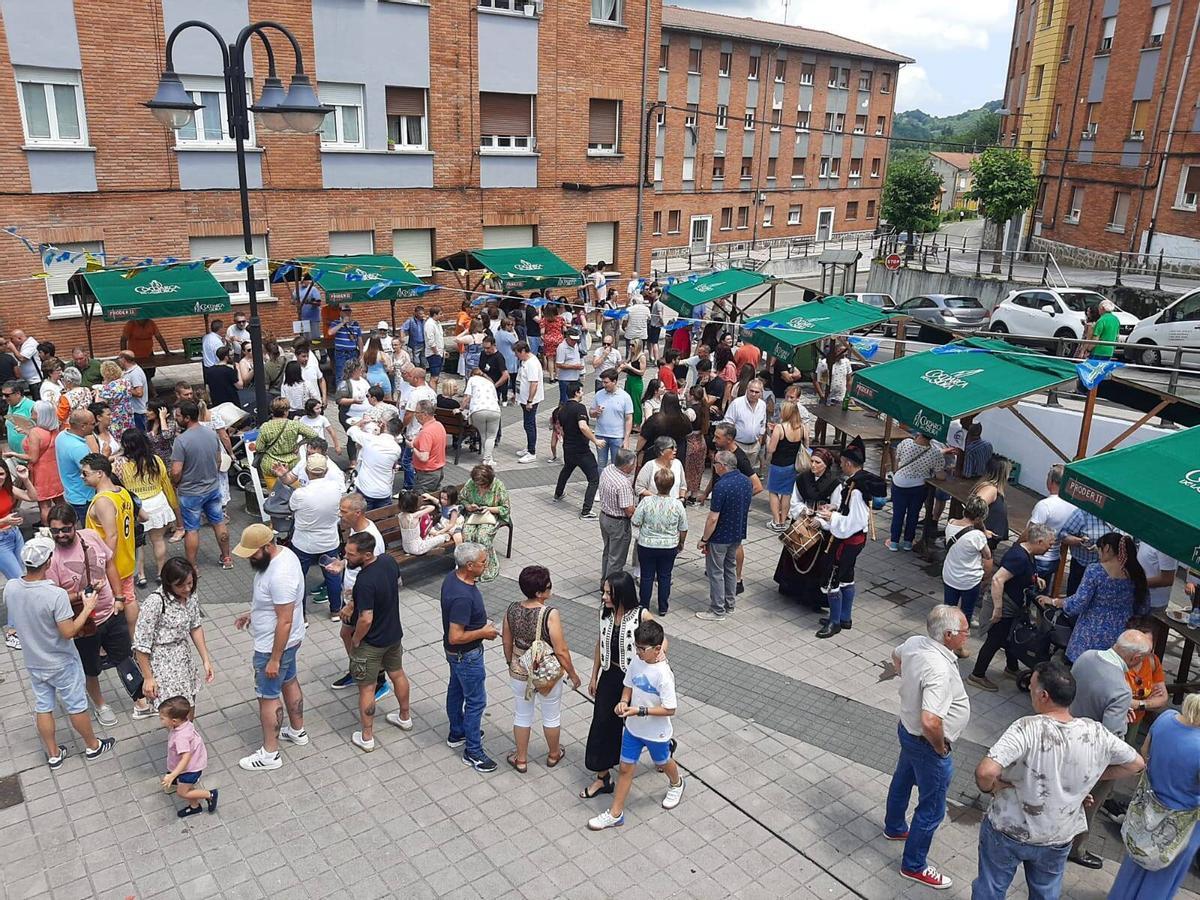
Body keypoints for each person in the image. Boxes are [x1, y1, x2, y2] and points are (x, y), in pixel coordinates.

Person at [971, 661, 1144, 900]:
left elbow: (985, 772)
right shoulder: (1096, 733)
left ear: (1043, 695)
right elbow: (1136, 764)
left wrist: (992, 787)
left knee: (990, 888)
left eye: (1031, 687)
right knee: (1046, 892)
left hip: (1008, 830)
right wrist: (1092, 774)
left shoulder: (1026, 728)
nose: (1030, 690)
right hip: (1059, 835)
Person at [4, 535, 116, 769]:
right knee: (76, 704)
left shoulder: (12, 587)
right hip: (61, 661)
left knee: (43, 705)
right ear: (47, 563)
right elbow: (69, 631)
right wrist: (87, 608)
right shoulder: (54, 595)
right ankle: (92, 745)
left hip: (34, 661)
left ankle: (54, 754)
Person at [884, 605, 971, 890]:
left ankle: (895, 827)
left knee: (903, 779)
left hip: (907, 730)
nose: (968, 634)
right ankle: (914, 865)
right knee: (932, 808)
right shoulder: (937, 669)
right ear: (948, 635)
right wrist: (941, 748)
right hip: (927, 744)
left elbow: (896, 657)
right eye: (964, 631)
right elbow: (931, 721)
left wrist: (907, 682)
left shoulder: (915, 643)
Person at [44, 504, 152, 724]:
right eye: (55, 531)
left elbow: (110, 565)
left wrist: (119, 598)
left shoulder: (91, 537)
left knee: (123, 657)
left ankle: (140, 700)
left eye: (65, 529)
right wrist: (81, 596)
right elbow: (53, 597)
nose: (61, 535)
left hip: (110, 612)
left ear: (75, 525)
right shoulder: (51, 558)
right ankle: (100, 705)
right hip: (83, 623)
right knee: (90, 668)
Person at [587, 618, 685, 830]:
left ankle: (677, 783)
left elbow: (670, 709)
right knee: (624, 768)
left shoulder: (664, 675)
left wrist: (639, 710)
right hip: (633, 729)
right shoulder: (636, 662)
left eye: (642, 649)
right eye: (636, 647)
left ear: (657, 648)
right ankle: (615, 813)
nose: (638, 652)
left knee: (663, 762)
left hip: (656, 733)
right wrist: (623, 702)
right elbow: (628, 685)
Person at [1066, 629, 1152, 868]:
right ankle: (1076, 848)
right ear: (1135, 659)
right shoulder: (1120, 689)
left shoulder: (1087, 656)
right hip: (1089, 755)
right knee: (1089, 805)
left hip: (1065, 735)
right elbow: (1112, 740)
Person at [1108, 693, 1200, 899]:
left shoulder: (1166, 718)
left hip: (1148, 807)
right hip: (1182, 821)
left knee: (1135, 861)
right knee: (1164, 876)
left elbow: (1144, 751)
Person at [232, 524, 308, 771]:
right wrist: (253, 614)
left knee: (267, 696)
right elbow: (274, 607)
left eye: (252, 553)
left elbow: (283, 619)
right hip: (290, 640)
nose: (249, 559)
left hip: (274, 646)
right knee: (290, 681)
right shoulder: (285, 555)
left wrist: (274, 659)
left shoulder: (280, 575)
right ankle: (298, 731)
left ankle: (270, 753)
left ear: (266, 547)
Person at [501, 565, 581, 772]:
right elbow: (561, 649)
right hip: (546, 672)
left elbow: (507, 641)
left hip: (520, 670)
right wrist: (573, 674)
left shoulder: (511, 609)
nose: (550, 587)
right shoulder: (549, 614)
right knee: (551, 714)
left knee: (522, 714)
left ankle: (521, 759)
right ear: (539, 593)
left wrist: (511, 662)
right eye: (548, 585)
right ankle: (554, 754)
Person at [340, 532, 412, 752]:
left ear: (367, 554)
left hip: (371, 642)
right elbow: (396, 584)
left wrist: (357, 639)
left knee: (367, 688)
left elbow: (366, 618)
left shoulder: (364, 580)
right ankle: (404, 717)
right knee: (397, 673)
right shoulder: (389, 562)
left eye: (351, 555)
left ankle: (367, 736)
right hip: (393, 634)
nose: (346, 558)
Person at [968, 523, 1056, 691]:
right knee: (994, 640)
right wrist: (998, 609)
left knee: (1009, 637)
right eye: (1049, 544)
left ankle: (1012, 668)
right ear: (1039, 541)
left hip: (1015, 606)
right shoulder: (1019, 556)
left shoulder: (1028, 554)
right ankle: (977, 675)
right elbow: (998, 580)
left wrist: (1034, 579)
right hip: (1004, 606)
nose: (1050, 548)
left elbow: (1019, 574)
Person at [1041, 531, 1148, 663]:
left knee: (1081, 672)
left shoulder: (1095, 571)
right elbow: (1143, 607)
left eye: (1099, 549)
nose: (1098, 554)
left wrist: (1056, 601)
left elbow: (1078, 603)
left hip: (1090, 634)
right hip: (1120, 637)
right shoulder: (1137, 573)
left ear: (1107, 548)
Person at [441, 542, 499, 773]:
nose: (486, 565)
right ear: (469, 565)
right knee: (475, 701)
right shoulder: (462, 597)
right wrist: (483, 632)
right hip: (466, 655)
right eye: (483, 562)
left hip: (456, 655)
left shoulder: (452, 578)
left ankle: (458, 731)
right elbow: (456, 636)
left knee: (456, 690)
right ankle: (473, 751)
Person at [132, 557, 212, 715]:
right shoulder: (154, 602)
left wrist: (206, 660)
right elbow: (141, 644)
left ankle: (187, 739)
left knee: (189, 705)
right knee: (175, 714)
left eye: (190, 583)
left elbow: (195, 626)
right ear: (168, 583)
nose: (187, 589)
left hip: (184, 658)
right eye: (180, 585)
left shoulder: (191, 595)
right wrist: (148, 678)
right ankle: (179, 739)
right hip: (162, 663)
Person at [814, 439, 875, 638]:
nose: (840, 465)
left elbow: (855, 521)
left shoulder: (856, 490)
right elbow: (852, 512)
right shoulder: (857, 483)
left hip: (848, 541)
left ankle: (834, 622)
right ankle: (845, 617)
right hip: (854, 540)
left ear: (849, 463)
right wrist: (836, 509)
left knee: (833, 578)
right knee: (847, 577)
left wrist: (833, 517)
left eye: (842, 462)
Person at [273, 452, 344, 616]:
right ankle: (335, 611)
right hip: (329, 540)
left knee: (300, 578)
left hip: (304, 543)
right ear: (325, 471)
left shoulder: (300, 494)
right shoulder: (335, 489)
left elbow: (292, 507)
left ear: (307, 470)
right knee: (332, 575)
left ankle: (302, 615)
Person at [773, 448, 841, 606]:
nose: (813, 465)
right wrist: (803, 511)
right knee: (794, 555)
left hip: (820, 527)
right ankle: (790, 588)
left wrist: (821, 521)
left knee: (816, 563)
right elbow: (795, 500)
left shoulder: (834, 483)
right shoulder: (802, 478)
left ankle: (811, 597)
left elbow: (836, 506)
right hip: (802, 522)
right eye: (812, 461)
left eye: (818, 462)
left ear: (825, 465)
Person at [170, 401, 233, 569]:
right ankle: (227, 558)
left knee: (191, 530)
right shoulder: (212, 434)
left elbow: (176, 471)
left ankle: (193, 567)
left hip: (190, 492)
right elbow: (219, 460)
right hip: (212, 488)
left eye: (178, 416)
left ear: (187, 417)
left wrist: (174, 482)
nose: (175, 419)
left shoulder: (181, 441)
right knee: (219, 523)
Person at [80, 453, 140, 623]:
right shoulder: (122, 492)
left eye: (85, 473)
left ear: (100, 473)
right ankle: (134, 639)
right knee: (129, 597)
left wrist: (102, 565)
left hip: (113, 565)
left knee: (119, 602)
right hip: (127, 558)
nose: (82, 477)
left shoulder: (102, 501)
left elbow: (112, 535)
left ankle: (126, 640)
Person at [115, 431, 179, 588]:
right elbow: (166, 485)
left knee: (137, 544)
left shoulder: (119, 465)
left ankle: (141, 575)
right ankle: (160, 573)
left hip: (136, 507)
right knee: (158, 540)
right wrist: (174, 506)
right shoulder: (156, 460)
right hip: (158, 503)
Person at [696, 450, 752, 622]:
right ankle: (730, 604)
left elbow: (713, 518)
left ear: (722, 466)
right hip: (736, 534)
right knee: (730, 569)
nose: (714, 467)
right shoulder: (745, 481)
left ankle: (717, 609)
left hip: (720, 536)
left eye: (715, 464)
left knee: (715, 572)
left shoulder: (721, 486)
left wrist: (704, 539)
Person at [633, 467, 688, 615]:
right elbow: (683, 527)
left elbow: (636, 521)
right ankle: (663, 607)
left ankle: (643, 606)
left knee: (647, 576)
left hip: (646, 545)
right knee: (665, 576)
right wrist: (681, 542)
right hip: (669, 545)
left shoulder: (646, 502)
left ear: (656, 484)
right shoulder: (677, 505)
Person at [4, 400, 64, 524]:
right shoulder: (54, 429)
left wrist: (14, 454)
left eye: (34, 411)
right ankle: (65, 522)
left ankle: (47, 529)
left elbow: (32, 458)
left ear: (40, 414)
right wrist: (27, 433)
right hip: (54, 470)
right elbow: (44, 441)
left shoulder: (35, 432)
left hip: (41, 472)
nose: (31, 412)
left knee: (44, 504)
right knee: (59, 500)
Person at [885, 432, 946, 552]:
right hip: (918, 487)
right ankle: (908, 542)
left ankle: (894, 542)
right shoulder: (935, 453)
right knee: (913, 514)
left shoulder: (906, 443)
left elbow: (897, 461)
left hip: (899, 483)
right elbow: (940, 475)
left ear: (919, 433)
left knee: (898, 514)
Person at [157, 696, 217, 817]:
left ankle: (209, 795)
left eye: (162, 718)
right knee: (187, 788)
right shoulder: (185, 723)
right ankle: (194, 806)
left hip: (190, 769)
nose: (160, 720)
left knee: (182, 792)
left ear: (174, 721)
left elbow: (186, 758)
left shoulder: (180, 737)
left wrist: (173, 774)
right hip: (192, 764)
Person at [941, 495, 993, 628]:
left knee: (949, 609)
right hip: (969, 580)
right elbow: (987, 555)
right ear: (979, 518)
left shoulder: (951, 523)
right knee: (966, 612)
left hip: (950, 575)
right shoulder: (977, 536)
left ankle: (946, 631)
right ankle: (961, 637)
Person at [554, 381, 602, 519]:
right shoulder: (579, 408)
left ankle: (558, 493)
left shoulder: (562, 409)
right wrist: (595, 440)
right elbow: (582, 426)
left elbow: (563, 428)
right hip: (581, 450)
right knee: (594, 479)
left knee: (567, 470)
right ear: (576, 392)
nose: (582, 393)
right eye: (581, 391)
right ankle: (586, 511)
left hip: (568, 448)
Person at [1027, 465, 1077, 591]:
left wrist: (1018, 547)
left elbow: (1031, 532)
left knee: (1026, 591)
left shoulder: (1045, 505)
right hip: (1054, 557)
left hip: (1038, 557)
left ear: (1051, 481)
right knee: (1042, 591)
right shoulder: (1073, 506)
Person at [459, 464, 510, 584]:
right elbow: (462, 498)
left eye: (481, 484)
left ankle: (487, 567)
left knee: (483, 537)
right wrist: (468, 506)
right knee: (467, 535)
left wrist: (489, 509)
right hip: (474, 515)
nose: (478, 486)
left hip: (492, 516)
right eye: (477, 483)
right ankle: (470, 566)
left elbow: (505, 508)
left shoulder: (498, 486)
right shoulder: (471, 483)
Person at [252, 398, 316, 491]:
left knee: (275, 496)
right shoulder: (294, 425)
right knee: (294, 493)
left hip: (271, 466)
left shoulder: (265, 427)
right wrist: (299, 444)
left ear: (272, 411)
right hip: (291, 465)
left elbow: (259, 448)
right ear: (286, 411)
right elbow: (313, 435)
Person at [764, 400, 807, 531]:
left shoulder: (780, 428)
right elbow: (806, 446)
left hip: (778, 465)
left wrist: (768, 437)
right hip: (792, 466)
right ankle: (783, 521)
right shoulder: (803, 427)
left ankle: (776, 521)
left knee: (773, 492)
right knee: (787, 494)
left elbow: (771, 449)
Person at [597, 449, 638, 585]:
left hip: (604, 517)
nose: (634, 467)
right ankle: (611, 588)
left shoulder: (608, 469)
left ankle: (604, 580)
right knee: (616, 559)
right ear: (627, 465)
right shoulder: (623, 484)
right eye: (633, 465)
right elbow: (629, 510)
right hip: (618, 523)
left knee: (607, 552)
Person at [347, 416, 403, 510]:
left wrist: (362, 421)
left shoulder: (370, 440)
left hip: (366, 489)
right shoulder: (397, 449)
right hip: (384, 492)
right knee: (381, 521)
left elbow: (351, 430)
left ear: (384, 426)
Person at [1057, 506, 1111, 594]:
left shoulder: (1120, 517)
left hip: (1108, 569)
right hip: (1082, 566)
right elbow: (1063, 535)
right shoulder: (1082, 514)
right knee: (1075, 595)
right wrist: (1080, 541)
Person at [55, 408, 95, 522]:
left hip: (71, 493)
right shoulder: (78, 448)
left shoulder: (61, 436)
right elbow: (91, 473)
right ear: (83, 426)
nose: (94, 426)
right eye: (92, 424)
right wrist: (106, 456)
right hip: (84, 497)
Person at [591, 368, 633, 469]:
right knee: (601, 464)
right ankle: (601, 484)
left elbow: (629, 419)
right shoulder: (599, 395)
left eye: (606, 382)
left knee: (616, 466)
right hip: (601, 435)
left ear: (614, 381)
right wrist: (595, 412)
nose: (603, 385)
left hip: (617, 436)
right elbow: (591, 413)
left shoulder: (625, 397)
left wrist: (626, 438)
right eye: (603, 382)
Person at [970, 455, 1012, 551]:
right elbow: (974, 509)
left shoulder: (994, 488)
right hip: (982, 540)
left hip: (987, 540)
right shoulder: (990, 489)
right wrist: (983, 530)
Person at [463, 366, 501, 465]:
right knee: (491, 436)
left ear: (472, 374)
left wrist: (461, 408)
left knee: (483, 435)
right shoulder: (490, 383)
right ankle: (488, 458)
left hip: (478, 410)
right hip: (494, 410)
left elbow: (467, 397)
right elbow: (496, 399)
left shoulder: (472, 380)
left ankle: (487, 458)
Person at [514, 341, 544, 464]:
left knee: (529, 425)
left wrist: (530, 401)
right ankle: (529, 447)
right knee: (527, 424)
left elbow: (534, 383)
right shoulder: (525, 361)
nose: (516, 356)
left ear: (523, 351)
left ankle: (532, 452)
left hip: (530, 400)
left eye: (517, 354)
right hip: (523, 398)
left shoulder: (532, 364)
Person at [410, 400, 447, 494]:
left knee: (421, 501)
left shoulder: (426, 432)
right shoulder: (439, 425)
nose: (415, 415)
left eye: (416, 412)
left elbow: (424, 457)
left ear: (424, 414)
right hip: (437, 471)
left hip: (426, 474)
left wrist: (413, 447)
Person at [634, 435, 685, 501]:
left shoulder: (678, 463)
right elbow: (639, 488)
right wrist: (659, 498)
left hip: (673, 505)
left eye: (675, 447)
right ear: (661, 452)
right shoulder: (650, 466)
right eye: (671, 448)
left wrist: (681, 498)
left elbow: (683, 485)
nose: (675, 450)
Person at [95, 360, 135, 441]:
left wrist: (97, 392)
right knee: (129, 437)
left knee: (118, 439)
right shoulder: (126, 382)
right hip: (127, 413)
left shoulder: (109, 388)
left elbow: (99, 405)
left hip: (115, 417)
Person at [116, 351, 150, 432]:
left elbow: (139, 392)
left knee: (140, 435)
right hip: (132, 410)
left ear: (123, 359)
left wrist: (123, 388)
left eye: (118, 358)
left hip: (138, 411)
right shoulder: (127, 371)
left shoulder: (135, 373)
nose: (118, 361)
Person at [330, 305, 363, 384]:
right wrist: (342, 323)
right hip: (341, 354)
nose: (347, 313)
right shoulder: (335, 322)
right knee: (340, 375)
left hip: (353, 353)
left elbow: (359, 339)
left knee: (353, 373)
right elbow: (330, 332)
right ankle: (341, 393)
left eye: (348, 311)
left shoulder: (355, 324)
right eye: (345, 311)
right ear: (341, 312)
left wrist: (361, 354)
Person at [554, 327, 584, 405]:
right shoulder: (562, 347)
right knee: (565, 401)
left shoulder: (576, 345)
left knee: (575, 399)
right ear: (567, 337)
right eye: (572, 339)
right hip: (566, 379)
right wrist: (574, 367)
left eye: (576, 340)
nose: (574, 342)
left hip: (575, 377)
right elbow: (558, 364)